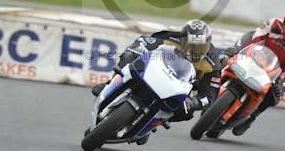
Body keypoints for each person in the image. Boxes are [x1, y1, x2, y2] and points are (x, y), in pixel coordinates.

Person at [91, 19, 227, 124]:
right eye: (191, 45)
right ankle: (110, 84)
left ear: (208, 45)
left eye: (200, 47)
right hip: (157, 71)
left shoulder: (212, 63)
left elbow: (210, 95)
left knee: (186, 112)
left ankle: (155, 121)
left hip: (180, 86)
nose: (194, 51)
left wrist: (195, 102)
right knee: (129, 56)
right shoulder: (170, 38)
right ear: (183, 39)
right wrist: (137, 50)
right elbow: (143, 42)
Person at [227, 5, 285, 136]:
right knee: (224, 59)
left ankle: (252, 117)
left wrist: (281, 85)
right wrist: (236, 48)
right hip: (252, 58)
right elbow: (252, 36)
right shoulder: (274, 24)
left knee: (274, 95)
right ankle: (213, 87)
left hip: (273, 74)